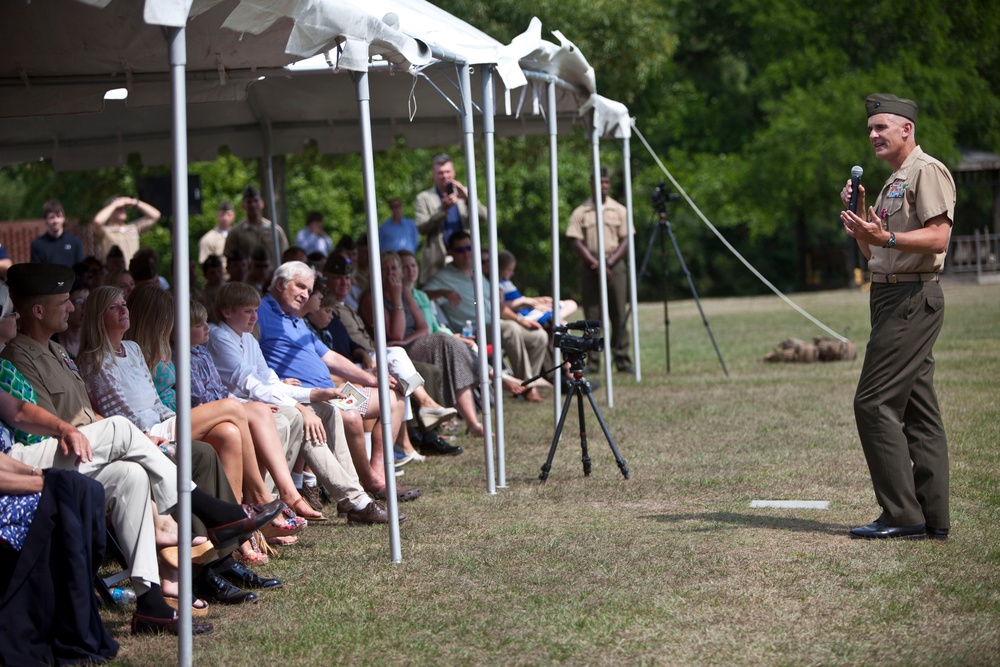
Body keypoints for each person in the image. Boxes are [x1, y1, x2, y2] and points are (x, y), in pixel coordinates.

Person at [0, 267, 272, 606]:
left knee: (203, 449)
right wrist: (130, 438)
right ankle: (205, 554)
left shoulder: (57, 352)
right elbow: (47, 422)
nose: (72, 308)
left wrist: (139, 438)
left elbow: (87, 411)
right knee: (183, 443)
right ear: (38, 311)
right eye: (64, 302)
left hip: (98, 443)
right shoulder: (19, 358)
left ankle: (218, 560)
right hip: (71, 455)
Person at [839, 93, 955, 541]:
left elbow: (939, 237)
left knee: (872, 403)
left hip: (911, 299)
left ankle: (901, 514)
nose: (872, 135)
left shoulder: (926, 171)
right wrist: (862, 229)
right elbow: (876, 252)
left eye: (881, 127)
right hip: (890, 296)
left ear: (907, 128)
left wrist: (885, 237)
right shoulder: (891, 184)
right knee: (917, 410)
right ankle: (933, 518)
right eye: (869, 129)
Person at [208, 281, 399, 524]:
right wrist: (300, 405)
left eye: (256, 310)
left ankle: (354, 498)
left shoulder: (247, 339)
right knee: (301, 417)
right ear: (227, 312)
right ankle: (352, 500)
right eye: (248, 311)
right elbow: (248, 383)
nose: (255, 317)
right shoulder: (219, 336)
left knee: (326, 410)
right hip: (243, 410)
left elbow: (270, 380)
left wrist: (314, 394)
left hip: (263, 405)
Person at [255, 261, 418, 500]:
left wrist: (373, 380)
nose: (305, 295)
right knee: (349, 415)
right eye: (300, 287)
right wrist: (277, 381)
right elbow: (249, 362)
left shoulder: (295, 319)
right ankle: (370, 484)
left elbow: (329, 356)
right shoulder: (259, 313)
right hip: (307, 398)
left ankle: (378, 474)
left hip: (334, 391)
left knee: (393, 397)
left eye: (309, 291)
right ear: (280, 283)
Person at [425, 231, 549, 402]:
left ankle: (524, 383)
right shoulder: (443, 277)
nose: (466, 253)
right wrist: (443, 292)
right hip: (473, 330)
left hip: (495, 324)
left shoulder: (477, 272)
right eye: (460, 250)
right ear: (450, 252)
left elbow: (499, 307)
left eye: (469, 248)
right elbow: (422, 294)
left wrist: (521, 320)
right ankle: (528, 389)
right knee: (509, 328)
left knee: (539, 336)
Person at [566, 166, 634, 374]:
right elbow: (576, 242)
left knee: (618, 313)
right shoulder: (581, 212)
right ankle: (593, 362)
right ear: (592, 184)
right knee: (592, 316)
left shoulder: (619, 210)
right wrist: (595, 264)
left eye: (606, 182)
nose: (603, 186)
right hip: (590, 267)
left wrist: (609, 263)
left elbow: (625, 239)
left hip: (615, 266)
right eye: (599, 182)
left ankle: (622, 359)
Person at [414, 153, 487, 285]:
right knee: (440, 295)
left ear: (453, 173)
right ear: (434, 175)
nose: (445, 176)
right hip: (439, 258)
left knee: (469, 291)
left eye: (447, 172)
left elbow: (484, 217)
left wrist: (468, 198)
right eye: (440, 173)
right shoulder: (424, 197)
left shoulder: (463, 192)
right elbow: (421, 228)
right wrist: (443, 210)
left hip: (465, 256)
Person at [497, 249, 578, 326]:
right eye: (509, 270)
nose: (512, 273)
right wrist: (528, 302)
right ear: (500, 269)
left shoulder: (507, 283)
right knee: (562, 325)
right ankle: (554, 319)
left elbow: (522, 299)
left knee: (571, 304)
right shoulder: (498, 286)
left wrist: (539, 300)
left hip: (531, 309)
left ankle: (555, 317)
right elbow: (503, 306)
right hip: (527, 314)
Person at [224, 185, 289, 271]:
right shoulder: (236, 233)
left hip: (272, 277)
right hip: (248, 280)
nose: (253, 205)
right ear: (243, 205)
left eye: (256, 201)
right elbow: (230, 259)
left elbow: (285, 257)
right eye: (249, 202)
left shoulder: (275, 230)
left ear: (262, 203)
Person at [91, 195, 161, 265]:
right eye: (118, 208)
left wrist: (134, 202)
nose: (122, 210)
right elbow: (97, 222)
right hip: (115, 273)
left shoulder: (133, 228)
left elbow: (155, 216)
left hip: (134, 273)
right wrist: (115, 205)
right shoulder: (105, 231)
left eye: (124, 208)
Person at [30, 198, 84, 267]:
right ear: (46, 220)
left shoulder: (75, 242)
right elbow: (36, 272)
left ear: (63, 218)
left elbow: (81, 270)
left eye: (58, 216)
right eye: (52, 217)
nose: (55, 221)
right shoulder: (37, 245)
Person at [199, 199, 236, 275]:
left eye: (228, 215)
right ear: (217, 215)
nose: (225, 218)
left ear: (233, 216)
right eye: (222, 214)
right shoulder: (208, 239)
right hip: (218, 279)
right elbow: (205, 266)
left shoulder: (238, 235)